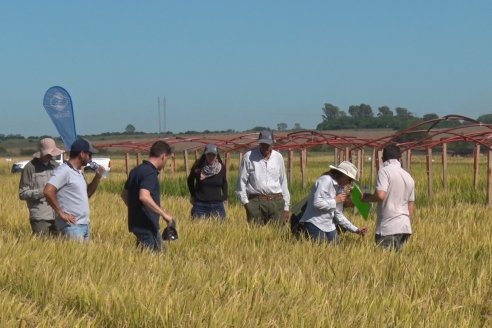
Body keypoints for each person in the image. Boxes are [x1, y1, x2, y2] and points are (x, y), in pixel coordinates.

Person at [44, 138, 105, 242]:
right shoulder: (64, 170)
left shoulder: (78, 172)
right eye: (89, 155)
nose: (91, 158)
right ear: (82, 154)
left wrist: (97, 177)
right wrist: (60, 213)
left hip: (84, 224)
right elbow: (48, 191)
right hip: (71, 227)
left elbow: (87, 194)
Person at [121, 141, 176, 252]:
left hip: (139, 225)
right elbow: (144, 196)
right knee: (154, 259)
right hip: (147, 226)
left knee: (152, 257)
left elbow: (124, 195)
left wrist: (136, 209)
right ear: (163, 156)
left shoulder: (136, 171)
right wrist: (164, 214)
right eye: (167, 159)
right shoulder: (150, 173)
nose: (165, 163)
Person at [299, 161, 367, 243]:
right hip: (314, 223)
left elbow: (338, 214)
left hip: (329, 225)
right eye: (350, 179)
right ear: (343, 175)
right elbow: (317, 203)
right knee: (321, 247)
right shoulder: (325, 180)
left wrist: (356, 230)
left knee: (337, 247)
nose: (350, 182)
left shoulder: (340, 188)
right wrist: (335, 200)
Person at [363, 144, 415, 251]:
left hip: (388, 227)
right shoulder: (408, 176)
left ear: (382, 159)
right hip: (405, 227)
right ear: (400, 159)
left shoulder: (384, 171)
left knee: (383, 264)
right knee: (395, 264)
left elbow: (380, 195)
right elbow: (410, 208)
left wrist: (366, 198)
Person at [236, 130, 290, 225]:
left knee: (278, 235)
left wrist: (286, 207)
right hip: (256, 202)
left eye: (268, 144)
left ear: (273, 143)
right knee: (256, 235)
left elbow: (283, 182)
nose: (265, 147)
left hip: (276, 201)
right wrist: (246, 204)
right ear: (259, 143)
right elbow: (241, 183)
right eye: (263, 144)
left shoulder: (278, 157)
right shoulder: (248, 157)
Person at [19, 137, 63, 236]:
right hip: (40, 216)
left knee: (59, 248)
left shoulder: (55, 166)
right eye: (48, 153)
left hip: (58, 215)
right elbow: (22, 193)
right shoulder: (30, 168)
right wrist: (43, 192)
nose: (50, 155)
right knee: (41, 246)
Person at [187, 144, 228, 219]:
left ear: (216, 155)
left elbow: (224, 183)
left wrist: (225, 196)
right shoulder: (198, 167)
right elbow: (190, 180)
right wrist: (193, 194)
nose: (211, 157)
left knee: (220, 228)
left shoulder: (221, 168)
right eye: (209, 154)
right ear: (205, 155)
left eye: (213, 154)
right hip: (200, 205)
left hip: (217, 205)